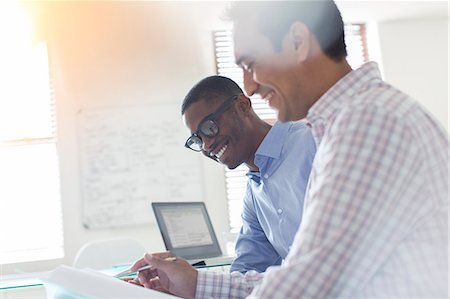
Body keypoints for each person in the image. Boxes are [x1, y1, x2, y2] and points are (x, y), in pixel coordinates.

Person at [131, 1, 448, 298]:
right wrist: (196, 284)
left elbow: (308, 283)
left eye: (251, 63)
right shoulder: (345, 123)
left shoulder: (368, 120)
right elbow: (294, 274)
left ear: (298, 41)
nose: (251, 85)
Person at [182, 75, 316, 273]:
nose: (207, 145)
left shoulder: (311, 143)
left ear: (243, 106)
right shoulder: (254, 194)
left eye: (209, 127)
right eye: (197, 140)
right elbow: (248, 268)